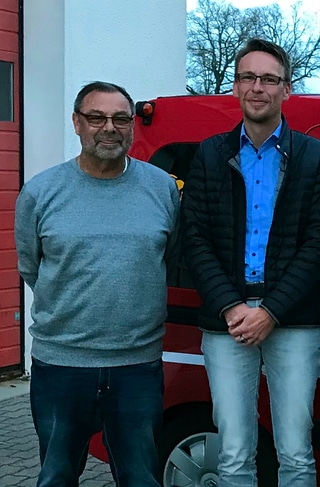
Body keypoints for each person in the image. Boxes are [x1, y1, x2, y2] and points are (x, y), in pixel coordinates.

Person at [180, 38, 320, 486]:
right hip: (225, 320)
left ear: (287, 89)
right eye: (248, 77)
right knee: (233, 454)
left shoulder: (313, 155)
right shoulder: (210, 153)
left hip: (293, 319)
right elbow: (195, 239)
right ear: (235, 87)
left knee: (296, 452)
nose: (257, 87)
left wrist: (271, 311)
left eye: (269, 79)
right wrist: (232, 306)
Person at [15, 81, 179, 486]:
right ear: (76, 123)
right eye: (96, 118)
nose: (109, 128)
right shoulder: (41, 191)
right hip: (61, 365)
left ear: (131, 126)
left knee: (140, 477)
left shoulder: (161, 187)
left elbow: (168, 257)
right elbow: (31, 266)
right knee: (56, 476)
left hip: (137, 365)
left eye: (120, 119)